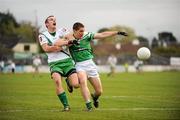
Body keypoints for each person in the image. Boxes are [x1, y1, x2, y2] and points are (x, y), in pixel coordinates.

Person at [55, 22, 128, 111]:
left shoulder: (87, 35)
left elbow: (102, 34)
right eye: (80, 31)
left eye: (83, 31)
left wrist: (117, 32)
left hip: (90, 64)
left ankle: (94, 97)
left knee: (99, 91)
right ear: (74, 31)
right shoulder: (69, 36)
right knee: (82, 83)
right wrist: (69, 42)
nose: (82, 33)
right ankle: (89, 106)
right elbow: (57, 43)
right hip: (79, 65)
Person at [38, 15, 79, 111]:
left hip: (67, 61)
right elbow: (46, 49)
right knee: (57, 81)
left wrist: (66, 41)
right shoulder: (42, 35)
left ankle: (69, 82)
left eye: (55, 20)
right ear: (46, 24)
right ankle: (66, 106)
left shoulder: (62, 30)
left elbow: (71, 39)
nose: (54, 21)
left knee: (76, 85)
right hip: (54, 63)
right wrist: (58, 46)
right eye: (51, 20)